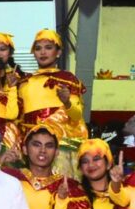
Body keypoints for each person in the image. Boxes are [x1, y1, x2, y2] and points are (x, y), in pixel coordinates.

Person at [16, 29, 86, 173]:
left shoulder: (67, 79)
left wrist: (67, 102)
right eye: (38, 48)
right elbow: (18, 119)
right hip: (33, 148)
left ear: (58, 52)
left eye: (48, 48)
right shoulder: (24, 83)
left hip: (61, 147)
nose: (43, 52)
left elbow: (77, 115)